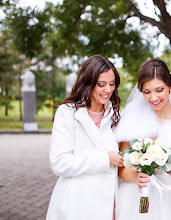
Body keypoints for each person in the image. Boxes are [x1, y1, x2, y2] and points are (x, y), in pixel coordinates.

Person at [115, 58, 171, 220]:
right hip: (136, 197)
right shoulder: (133, 119)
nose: (153, 97)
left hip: (169, 199)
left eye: (159, 90)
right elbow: (122, 169)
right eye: (147, 92)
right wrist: (138, 176)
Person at [46, 55, 124, 220]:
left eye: (112, 84)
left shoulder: (115, 116)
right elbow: (59, 163)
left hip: (108, 203)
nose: (108, 90)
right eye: (101, 85)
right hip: (77, 202)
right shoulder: (67, 113)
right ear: (88, 83)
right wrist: (105, 158)